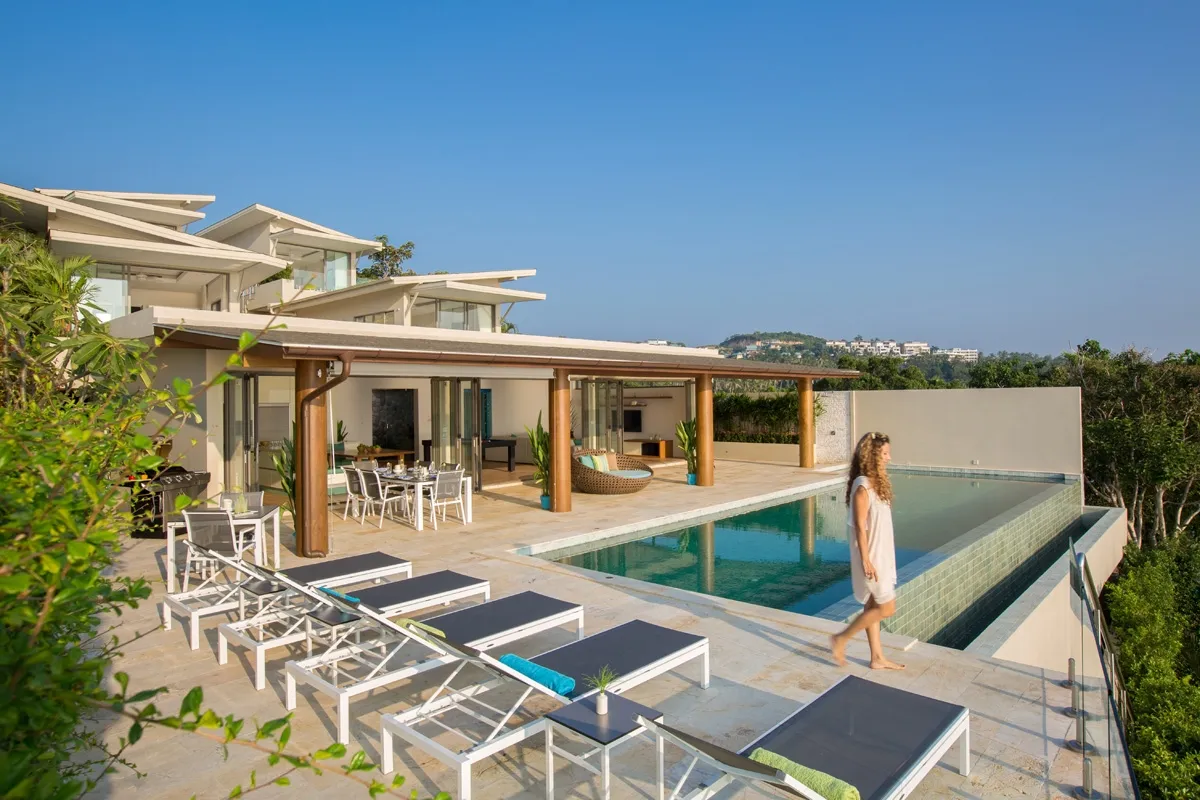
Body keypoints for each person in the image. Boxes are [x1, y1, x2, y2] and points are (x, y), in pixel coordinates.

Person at [830, 431, 905, 670]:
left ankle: (877, 658)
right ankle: (841, 638)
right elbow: (860, 528)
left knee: (873, 606)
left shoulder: (875, 484)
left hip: (881, 554)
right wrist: (866, 560)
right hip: (872, 557)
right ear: (872, 456)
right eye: (884, 453)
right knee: (886, 608)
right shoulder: (862, 488)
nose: (888, 457)